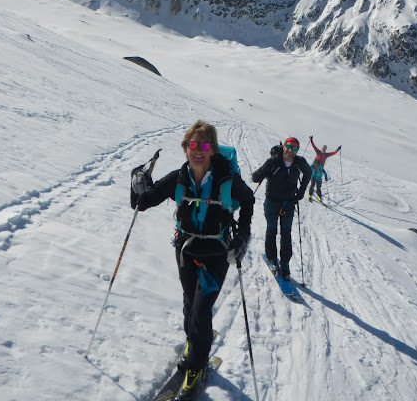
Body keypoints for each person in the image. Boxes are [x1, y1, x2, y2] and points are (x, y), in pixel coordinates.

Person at [132, 120, 254, 401]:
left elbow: (248, 200)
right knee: (189, 303)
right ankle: (194, 343)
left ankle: (196, 365)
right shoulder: (179, 177)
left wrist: (243, 236)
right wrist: (136, 182)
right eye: (193, 144)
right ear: (185, 147)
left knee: (200, 312)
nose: (198, 150)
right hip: (186, 250)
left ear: (213, 150)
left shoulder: (226, 179)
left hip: (216, 253)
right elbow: (142, 202)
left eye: (205, 145)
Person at [251, 137, 311, 281]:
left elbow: (308, 173)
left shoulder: (299, 162)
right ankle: (272, 260)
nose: (291, 150)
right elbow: (255, 177)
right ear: (284, 146)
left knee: (286, 234)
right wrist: (268, 166)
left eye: (295, 148)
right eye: (289, 147)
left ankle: (284, 264)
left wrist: (301, 192)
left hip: (289, 203)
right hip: (272, 202)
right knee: (272, 231)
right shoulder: (274, 161)